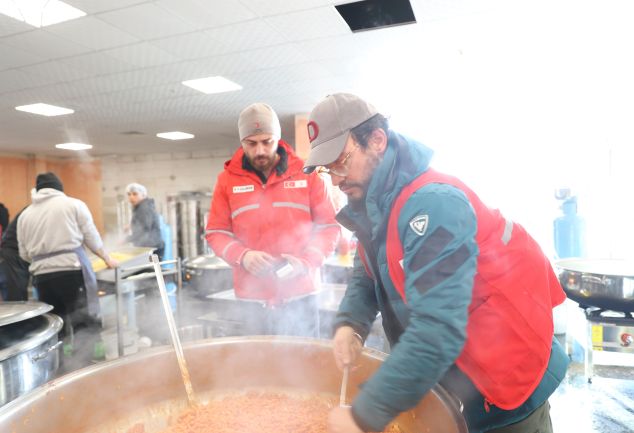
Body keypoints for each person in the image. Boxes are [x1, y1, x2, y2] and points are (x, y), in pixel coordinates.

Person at [302, 93, 568, 433]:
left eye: (340, 162)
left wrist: (363, 415)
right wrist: (350, 323)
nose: (336, 179)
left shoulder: (432, 204)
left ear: (377, 142)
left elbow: (437, 329)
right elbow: (366, 274)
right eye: (327, 170)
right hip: (455, 378)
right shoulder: (374, 205)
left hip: (504, 383)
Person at [205, 102, 340, 337]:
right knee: (257, 369)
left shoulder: (307, 175)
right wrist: (243, 256)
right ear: (242, 142)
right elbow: (216, 232)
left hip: (301, 296)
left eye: (267, 142)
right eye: (251, 143)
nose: (260, 151)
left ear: (278, 138)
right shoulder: (227, 181)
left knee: (306, 367)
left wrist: (306, 262)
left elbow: (328, 227)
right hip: (252, 301)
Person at [17, 172, 117, 368]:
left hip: (42, 278)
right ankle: (87, 368)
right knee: (82, 320)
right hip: (71, 272)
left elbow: (23, 253)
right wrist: (107, 258)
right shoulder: (73, 204)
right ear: (59, 188)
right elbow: (91, 236)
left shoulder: (25, 214)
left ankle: (60, 369)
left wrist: (44, 260)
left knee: (55, 324)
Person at [125, 183, 164, 260]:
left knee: (150, 271)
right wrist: (131, 225)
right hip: (149, 246)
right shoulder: (140, 207)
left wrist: (126, 240)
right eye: (129, 194)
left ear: (143, 195)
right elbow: (143, 222)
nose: (131, 197)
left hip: (151, 248)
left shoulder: (144, 208)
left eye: (135, 194)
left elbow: (144, 231)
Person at [0, 208, 31, 301]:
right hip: (12, 255)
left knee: (16, 300)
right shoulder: (34, 211)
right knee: (16, 303)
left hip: (11, 254)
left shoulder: (31, 210)